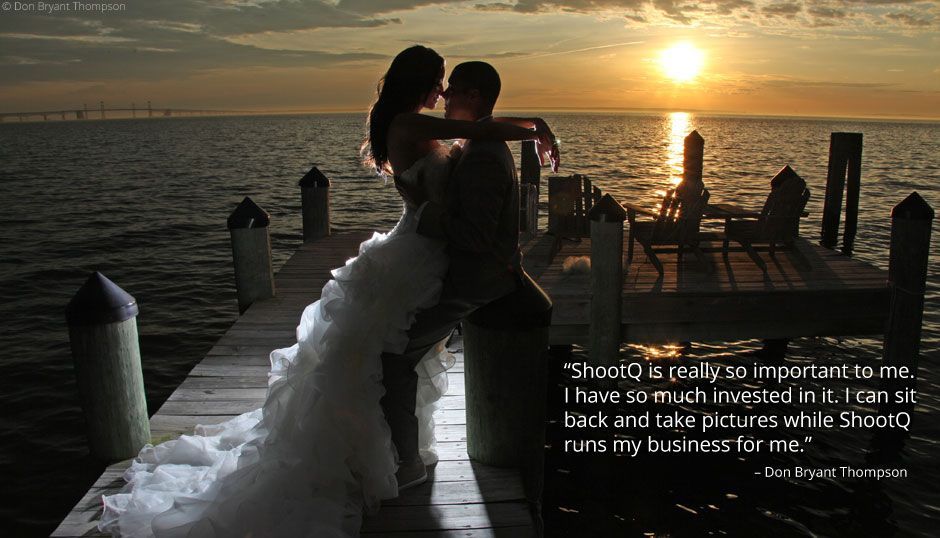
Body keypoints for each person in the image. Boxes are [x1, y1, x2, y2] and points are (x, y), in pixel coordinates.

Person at [97, 45, 559, 537]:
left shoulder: (434, 131)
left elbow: (479, 131)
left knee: (392, 348)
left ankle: (403, 452)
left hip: (430, 254)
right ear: (420, 83)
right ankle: (400, 456)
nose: (442, 92)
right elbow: (478, 130)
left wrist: (535, 124)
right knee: (385, 349)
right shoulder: (409, 127)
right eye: (438, 81)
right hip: (421, 247)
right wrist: (534, 128)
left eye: (450, 85)